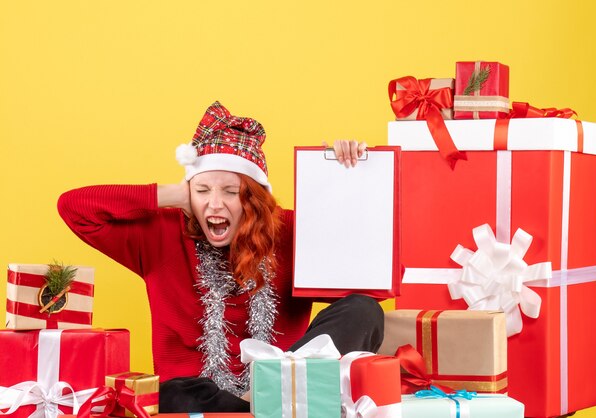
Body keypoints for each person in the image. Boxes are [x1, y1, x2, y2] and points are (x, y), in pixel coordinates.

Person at [57, 101, 384, 413]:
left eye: (230, 191)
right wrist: (172, 194)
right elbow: (74, 208)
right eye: (202, 191)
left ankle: (269, 393)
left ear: (255, 199)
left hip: (287, 386)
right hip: (201, 398)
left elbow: (380, 279)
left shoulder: (289, 230)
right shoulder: (161, 235)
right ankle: (258, 409)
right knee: (173, 394)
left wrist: (347, 181)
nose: (214, 205)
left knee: (364, 310)